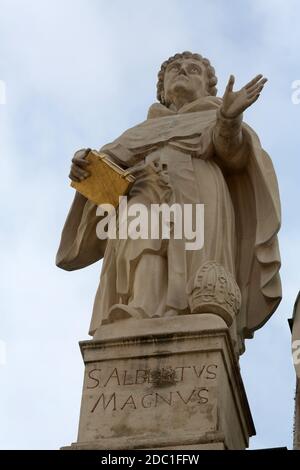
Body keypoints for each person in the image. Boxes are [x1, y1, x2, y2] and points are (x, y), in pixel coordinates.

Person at [56, 52, 281, 354]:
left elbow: (235, 155)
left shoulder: (215, 115)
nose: (182, 72)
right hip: (143, 186)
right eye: (174, 69)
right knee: (139, 237)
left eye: (193, 70)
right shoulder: (141, 130)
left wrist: (228, 120)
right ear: (162, 90)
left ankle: (190, 314)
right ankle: (141, 307)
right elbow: (106, 160)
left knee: (193, 251)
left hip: (198, 188)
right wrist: (84, 164)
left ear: (209, 87)